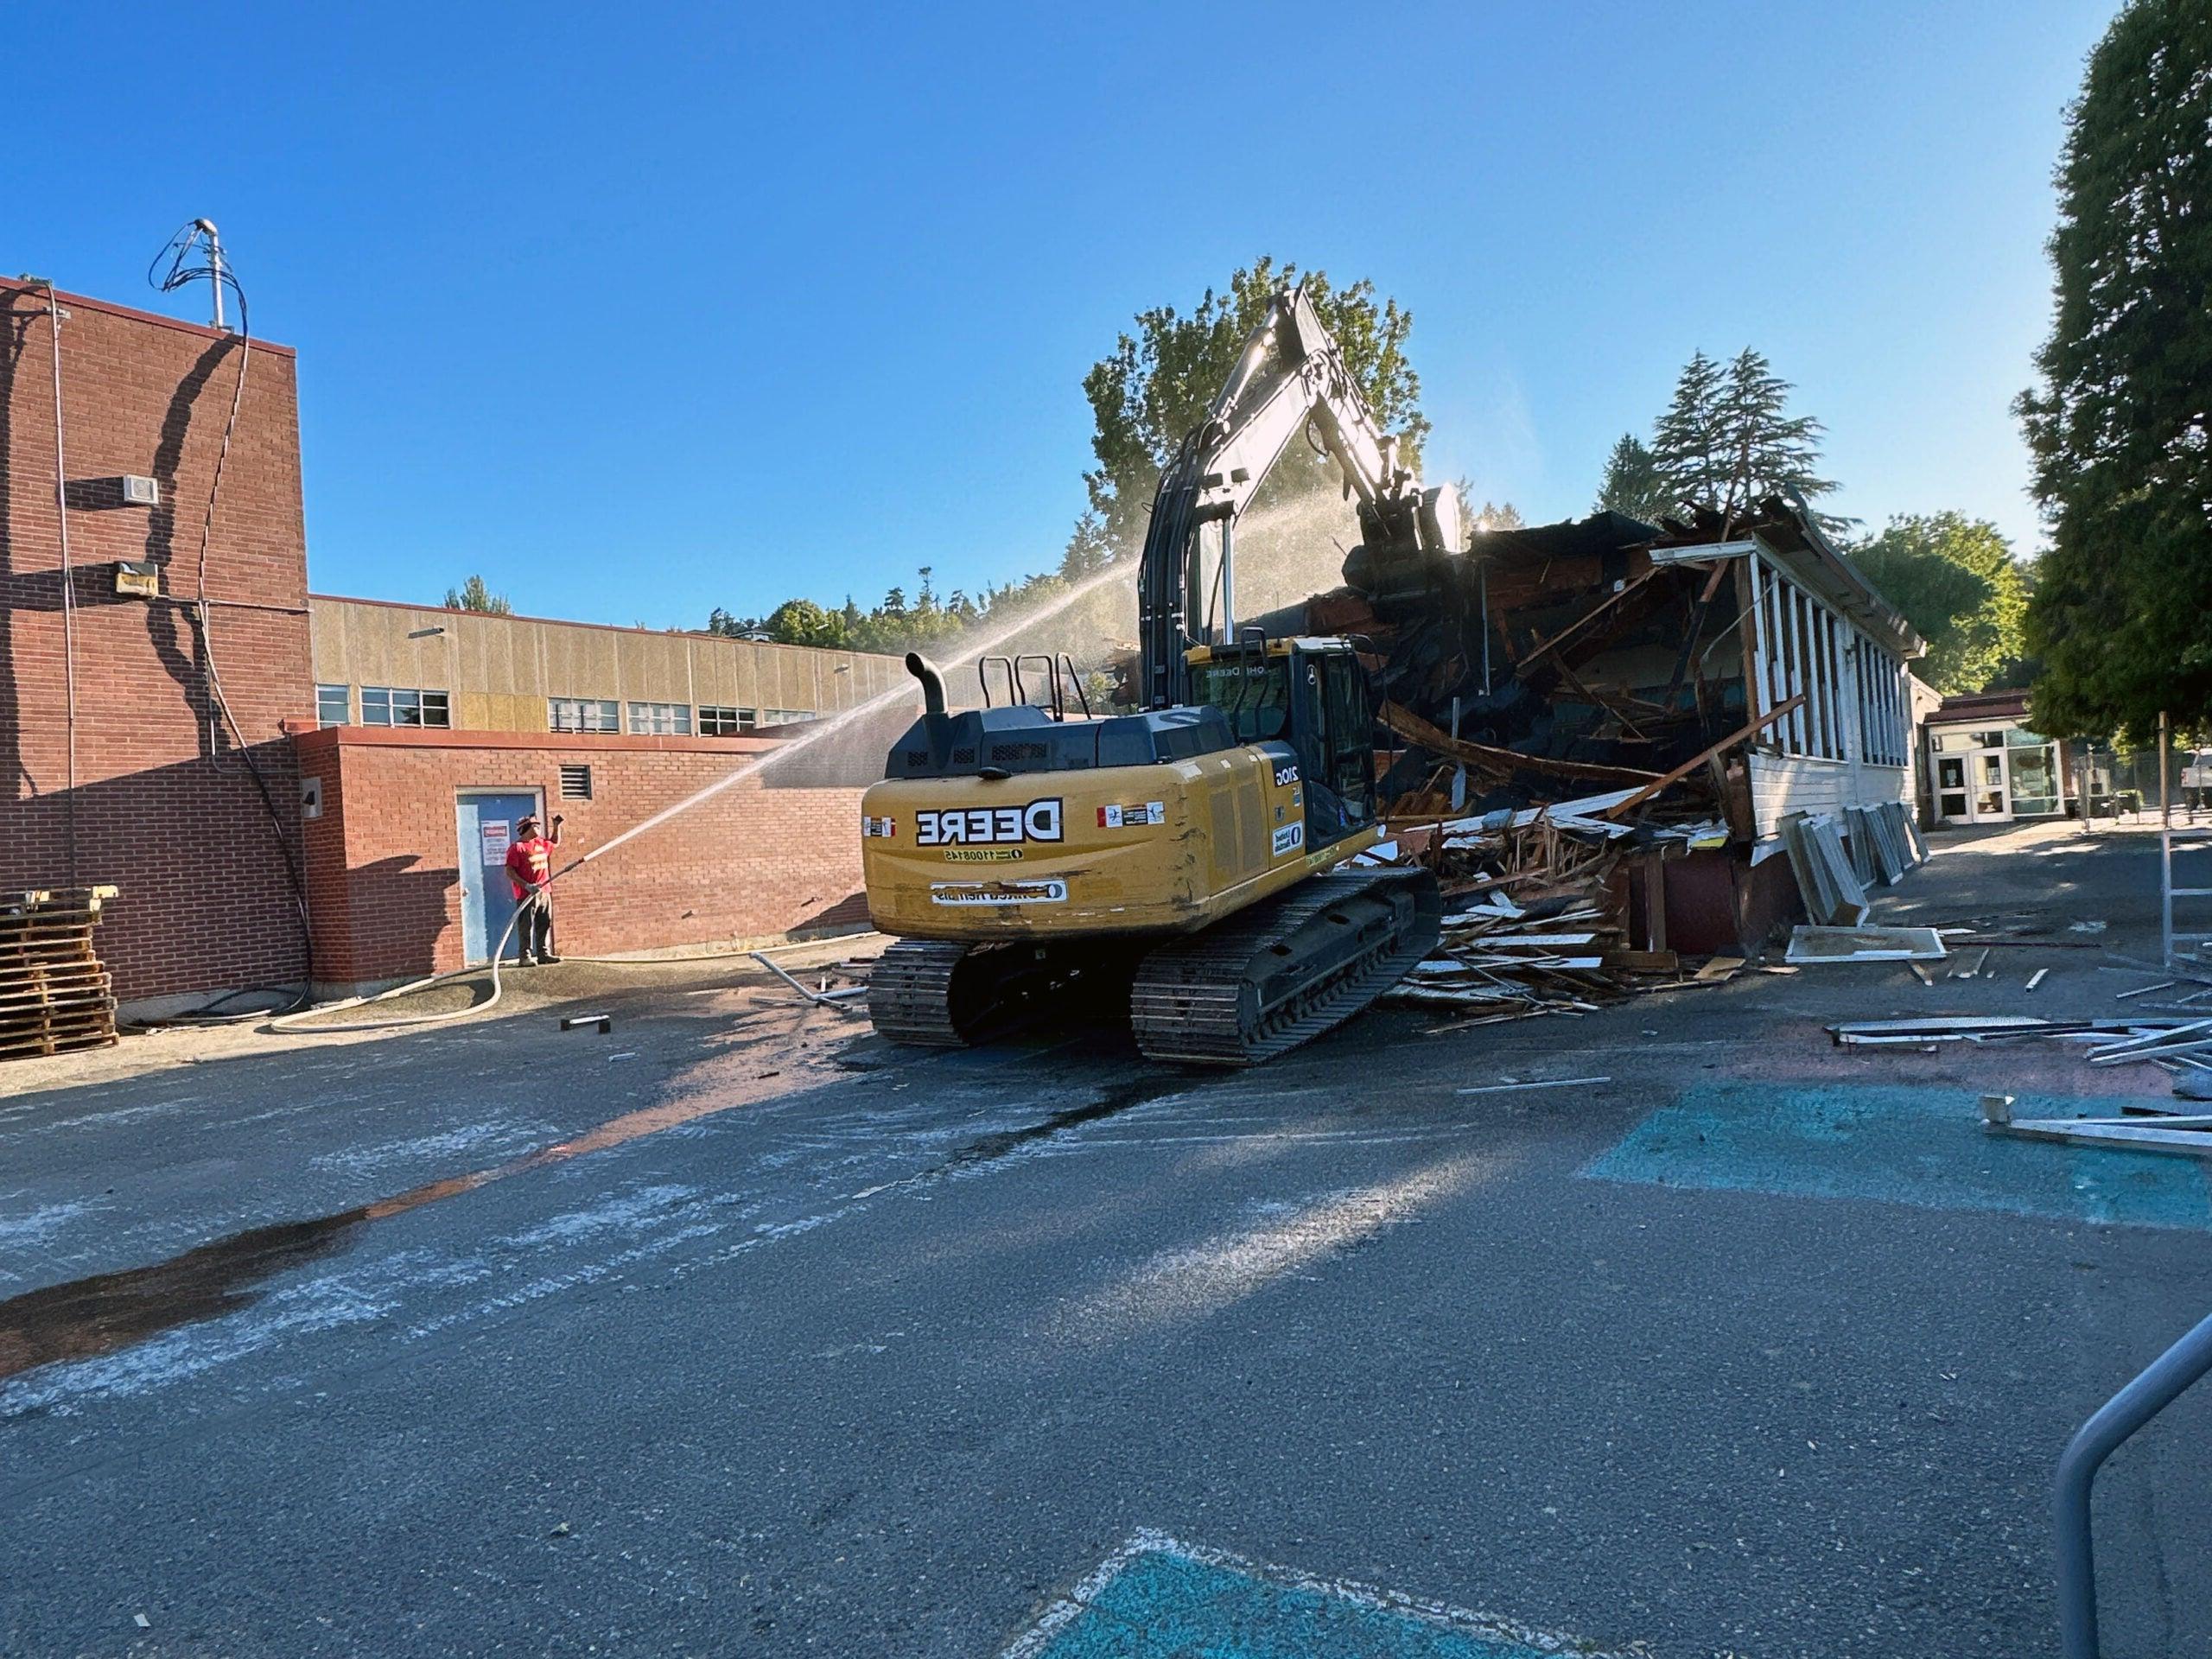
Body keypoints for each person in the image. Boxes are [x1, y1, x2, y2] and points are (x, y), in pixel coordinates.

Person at [504, 811, 564, 964]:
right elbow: (509, 871)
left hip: (544, 892)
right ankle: (525, 957)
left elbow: (554, 842)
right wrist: (527, 885)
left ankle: (544, 954)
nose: (538, 827)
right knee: (526, 926)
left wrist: (556, 827)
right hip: (527, 894)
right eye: (535, 825)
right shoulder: (517, 848)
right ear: (526, 829)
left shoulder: (541, 843)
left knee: (545, 923)